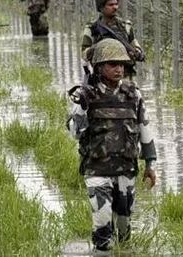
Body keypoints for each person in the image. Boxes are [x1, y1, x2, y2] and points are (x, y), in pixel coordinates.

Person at [67, 38, 156, 255]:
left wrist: (150, 164)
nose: (119, 69)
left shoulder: (133, 93)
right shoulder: (86, 95)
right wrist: (82, 106)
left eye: (122, 64)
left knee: (124, 224)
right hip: (97, 169)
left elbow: (144, 128)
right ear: (99, 67)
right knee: (103, 222)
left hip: (126, 168)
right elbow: (73, 133)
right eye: (112, 64)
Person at [81, 0, 145, 82]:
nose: (115, 7)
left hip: (125, 75)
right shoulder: (92, 28)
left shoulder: (126, 26)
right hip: (102, 77)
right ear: (101, 7)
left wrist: (137, 53)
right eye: (110, 5)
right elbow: (84, 54)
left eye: (116, 4)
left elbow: (135, 45)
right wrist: (98, 48)